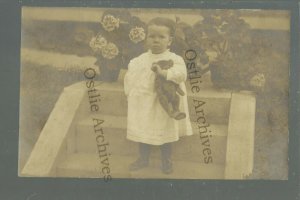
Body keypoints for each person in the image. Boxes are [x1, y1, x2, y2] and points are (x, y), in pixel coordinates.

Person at [124, 17, 193, 174]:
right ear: (146, 38)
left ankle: (166, 161)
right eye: (152, 36)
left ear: (170, 40)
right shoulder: (139, 60)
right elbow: (130, 77)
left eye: (161, 37)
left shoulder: (175, 59)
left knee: (165, 131)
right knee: (143, 130)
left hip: (165, 104)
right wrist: (130, 93)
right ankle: (143, 159)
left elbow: (181, 75)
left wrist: (165, 73)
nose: (156, 40)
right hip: (144, 103)